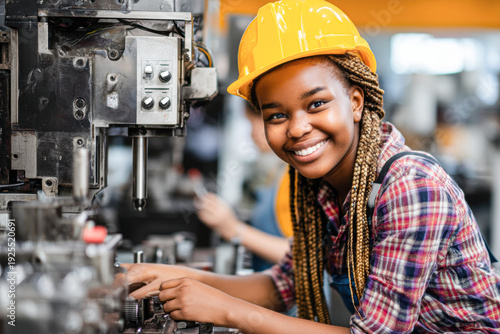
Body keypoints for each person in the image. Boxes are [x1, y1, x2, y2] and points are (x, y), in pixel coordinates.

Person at [121, 0, 500, 332]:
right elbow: (281, 286)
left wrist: (229, 311)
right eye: (276, 115)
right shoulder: (322, 189)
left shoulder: (411, 187)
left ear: (355, 101)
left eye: (316, 103)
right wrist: (176, 278)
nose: (298, 128)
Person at [196, 102, 293, 270]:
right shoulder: (276, 172)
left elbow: (300, 255)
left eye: (252, 123)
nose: (251, 133)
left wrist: (233, 229)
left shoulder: (294, 177)